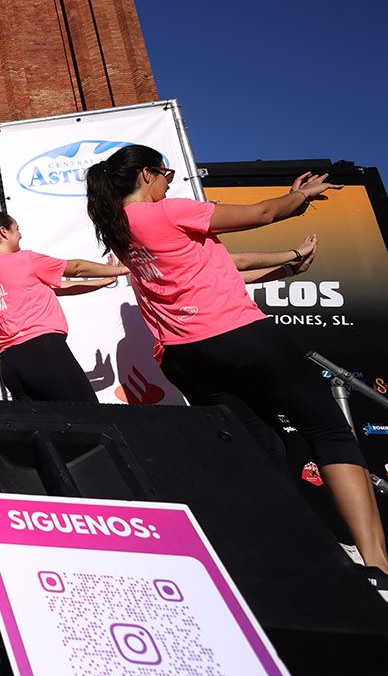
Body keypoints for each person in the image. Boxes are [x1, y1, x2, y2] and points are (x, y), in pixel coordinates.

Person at [84, 146, 388, 583]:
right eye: (166, 174)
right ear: (148, 174)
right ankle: (377, 565)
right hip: (235, 335)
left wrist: (284, 265)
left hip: (183, 355)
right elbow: (263, 213)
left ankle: (301, 557)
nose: (170, 182)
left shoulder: (117, 230)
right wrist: (300, 196)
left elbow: (224, 267)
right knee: (328, 428)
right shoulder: (166, 212)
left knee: (261, 448)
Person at [0, 211, 127, 401]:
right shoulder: (23, 259)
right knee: (88, 416)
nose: (20, 235)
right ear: (3, 232)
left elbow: (62, 288)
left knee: (48, 427)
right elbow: (75, 268)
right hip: (41, 350)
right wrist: (122, 269)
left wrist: (106, 280)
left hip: (11, 361)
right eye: (17, 229)